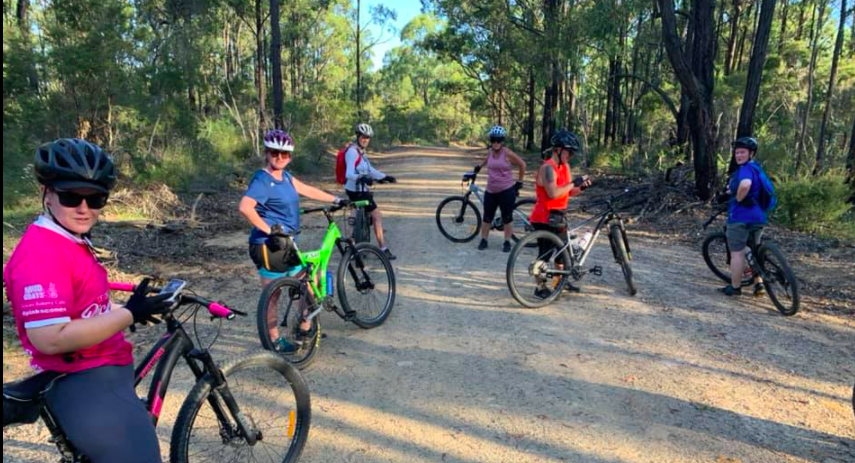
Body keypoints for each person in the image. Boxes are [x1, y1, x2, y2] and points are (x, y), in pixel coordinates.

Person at [3, 138, 172, 463]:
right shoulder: (42, 255)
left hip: (99, 368)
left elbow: (80, 299)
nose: (83, 208)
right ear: (48, 194)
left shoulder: (68, 238)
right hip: (83, 375)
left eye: (95, 199)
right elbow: (49, 338)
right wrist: (129, 314)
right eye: (71, 196)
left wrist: (117, 311)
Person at [238, 129, 347, 352]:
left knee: (307, 282)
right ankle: (275, 342)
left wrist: (336, 198)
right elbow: (245, 207)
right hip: (269, 246)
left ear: (290, 156)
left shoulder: (285, 177)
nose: (280, 158)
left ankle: (304, 327)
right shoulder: (262, 180)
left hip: (286, 244)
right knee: (273, 295)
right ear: (267, 153)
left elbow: (307, 189)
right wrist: (270, 231)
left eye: (285, 154)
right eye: (275, 153)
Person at [529, 130, 592, 298]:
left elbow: (568, 192)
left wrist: (582, 186)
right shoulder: (548, 168)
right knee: (545, 254)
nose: (571, 155)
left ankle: (559, 282)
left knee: (563, 251)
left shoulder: (565, 167)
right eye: (568, 151)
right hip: (544, 217)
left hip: (557, 216)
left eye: (572, 152)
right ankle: (540, 288)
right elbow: (553, 193)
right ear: (557, 149)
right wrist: (573, 183)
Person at [720, 136, 767, 297]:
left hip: (740, 217)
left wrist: (739, 198)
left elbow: (745, 185)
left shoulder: (745, 169)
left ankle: (735, 288)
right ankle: (759, 283)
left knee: (737, 253)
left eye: (742, 152)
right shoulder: (757, 169)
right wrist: (730, 192)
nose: (738, 155)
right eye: (737, 152)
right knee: (753, 250)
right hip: (758, 217)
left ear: (751, 153)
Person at [343, 123, 397, 260]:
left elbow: (370, 170)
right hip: (357, 190)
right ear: (358, 136)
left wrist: (384, 177)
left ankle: (350, 247)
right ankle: (383, 249)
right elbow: (348, 174)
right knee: (377, 216)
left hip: (354, 190)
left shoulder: (359, 151)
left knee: (354, 215)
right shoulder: (352, 152)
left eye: (368, 137)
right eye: (363, 137)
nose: (366, 139)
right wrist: (362, 178)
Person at [473, 125, 527, 252]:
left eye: (498, 140)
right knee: (487, 218)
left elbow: (522, 164)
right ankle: (484, 240)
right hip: (490, 191)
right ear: (491, 140)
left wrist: (519, 182)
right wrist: (478, 167)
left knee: (507, 218)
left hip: (506, 191)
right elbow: (486, 160)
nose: (495, 143)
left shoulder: (507, 153)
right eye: (493, 140)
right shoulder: (490, 152)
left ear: (502, 141)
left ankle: (507, 241)